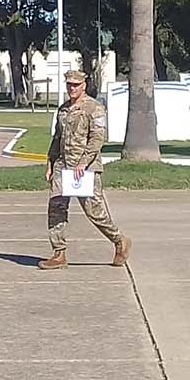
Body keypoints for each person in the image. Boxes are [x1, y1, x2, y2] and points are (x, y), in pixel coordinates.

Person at [40, 69, 130, 270]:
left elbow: (97, 138)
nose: (72, 88)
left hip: (85, 168)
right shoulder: (63, 109)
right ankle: (59, 253)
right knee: (56, 209)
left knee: (94, 212)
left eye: (76, 85)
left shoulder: (94, 108)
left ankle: (119, 240)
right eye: (69, 85)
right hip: (63, 166)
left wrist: (83, 163)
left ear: (84, 85)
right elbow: (57, 138)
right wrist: (50, 162)